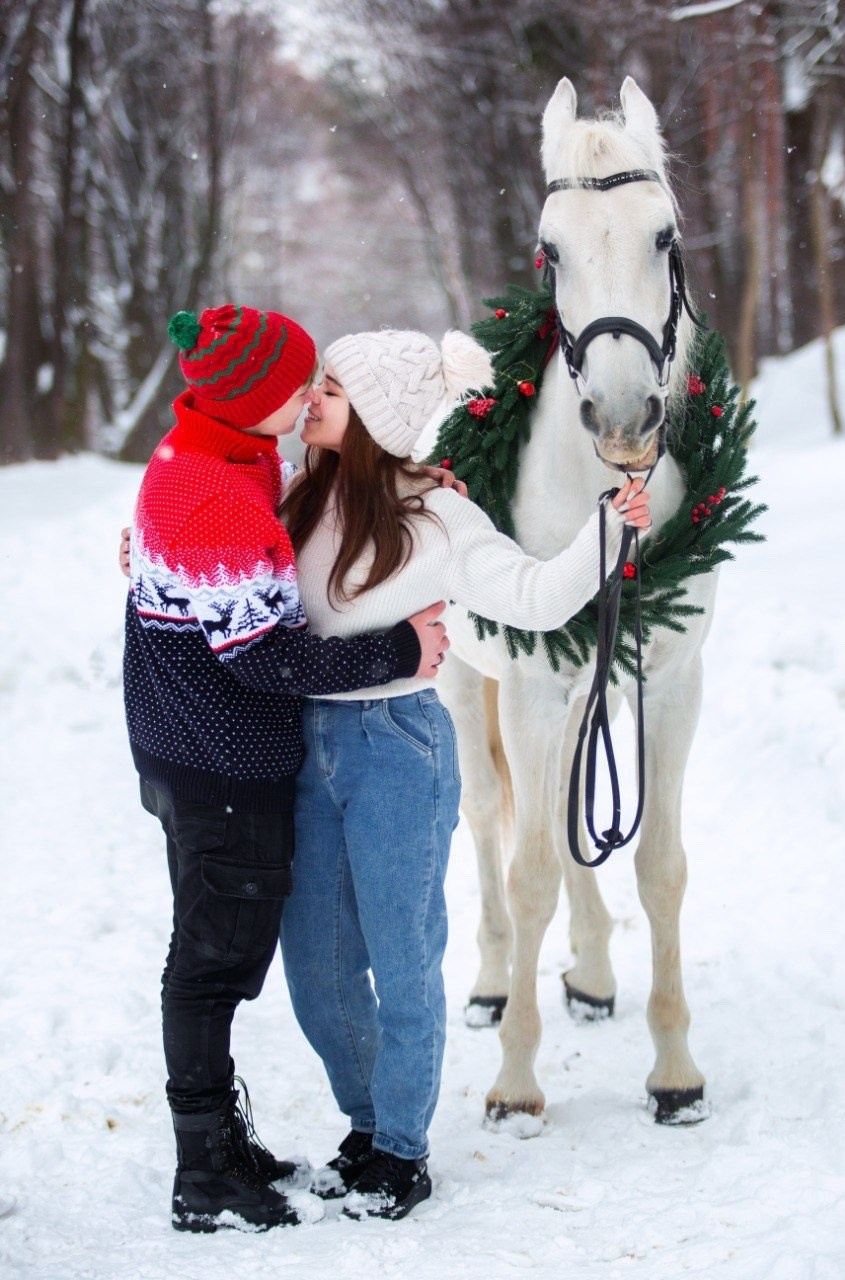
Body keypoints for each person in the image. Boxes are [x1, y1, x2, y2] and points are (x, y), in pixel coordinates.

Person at [276, 328, 651, 1221]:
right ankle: (368, 1121)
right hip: (303, 747)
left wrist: (608, 529)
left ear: (376, 414)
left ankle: (399, 1150)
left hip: (396, 748)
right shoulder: (293, 496)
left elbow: (533, 597)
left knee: (403, 961)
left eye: (331, 389)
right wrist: (147, 552)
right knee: (318, 969)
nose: (310, 399)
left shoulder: (440, 519)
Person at [123, 303, 450, 1235]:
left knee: (218, 953)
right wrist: (399, 649)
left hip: (190, 748)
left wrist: (411, 482)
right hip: (218, 764)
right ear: (251, 400)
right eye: (298, 385)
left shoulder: (222, 456)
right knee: (213, 964)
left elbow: (267, 525)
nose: (310, 398)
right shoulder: (218, 493)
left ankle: (221, 1149)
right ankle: (204, 1171)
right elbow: (264, 656)